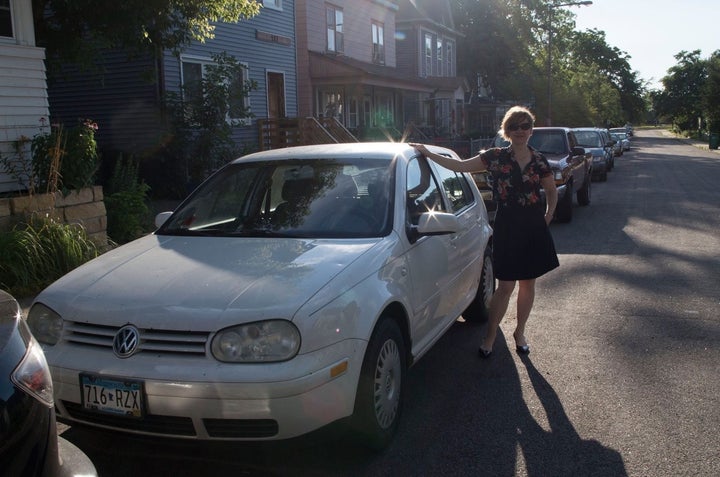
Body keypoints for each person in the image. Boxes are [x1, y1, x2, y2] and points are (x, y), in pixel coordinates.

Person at [411, 105, 559, 358]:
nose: (521, 131)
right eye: (515, 127)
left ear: (531, 130)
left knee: (528, 284)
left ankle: (520, 332)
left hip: (534, 226)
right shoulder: (495, 156)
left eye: (526, 126)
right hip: (509, 225)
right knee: (505, 286)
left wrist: (547, 216)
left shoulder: (539, 160)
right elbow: (459, 167)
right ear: (507, 131)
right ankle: (490, 335)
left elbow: (552, 190)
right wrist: (427, 153)